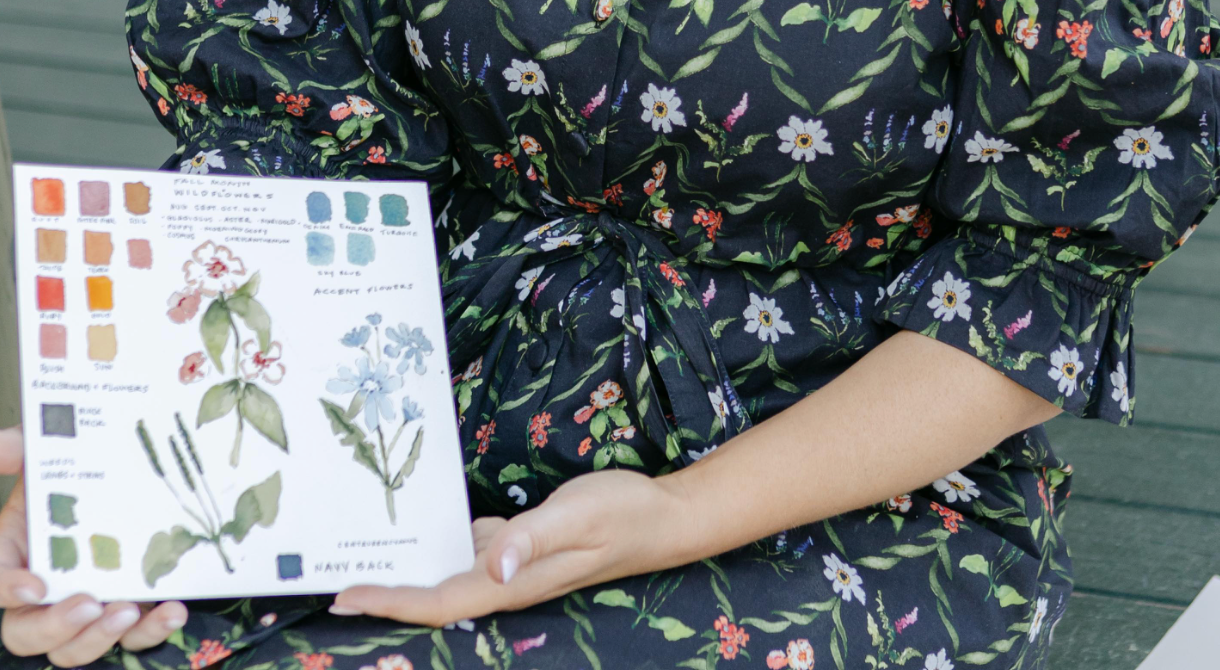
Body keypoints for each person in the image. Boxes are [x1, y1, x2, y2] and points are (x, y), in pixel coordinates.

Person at [2, 1, 1216, 667]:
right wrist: (119, 486)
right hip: (399, 378)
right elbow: (294, 156)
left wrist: (679, 511)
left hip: (819, 464)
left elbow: (1035, 280)